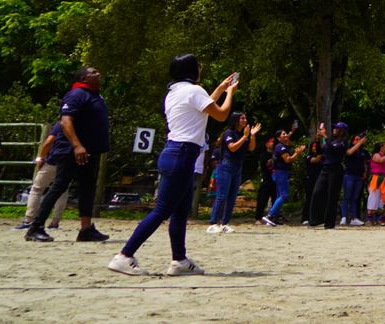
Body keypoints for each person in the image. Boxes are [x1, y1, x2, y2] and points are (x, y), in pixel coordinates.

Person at [108, 54, 237, 276]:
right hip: (183, 155)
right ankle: (124, 255)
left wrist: (220, 89)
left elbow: (204, 106)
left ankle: (179, 260)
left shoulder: (175, 92)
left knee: (180, 211)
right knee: (162, 210)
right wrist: (230, 93)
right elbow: (221, 114)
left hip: (174, 152)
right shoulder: (194, 91)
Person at [25, 66, 111, 244]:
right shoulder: (76, 94)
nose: (98, 73)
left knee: (87, 188)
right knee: (59, 186)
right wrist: (77, 145)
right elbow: (66, 121)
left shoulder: (96, 95)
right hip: (72, 150)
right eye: (93, 72)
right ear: (83, 78)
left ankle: (86, 229)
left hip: (90, 150)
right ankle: (35, 227)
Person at [206, 113, 259, 234]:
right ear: (235, 120)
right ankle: (213, 223)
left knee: (232, 197)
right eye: (242, 118)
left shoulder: (243, 134)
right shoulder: (228, 133)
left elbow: (251, 148)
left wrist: (252, 136)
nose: (245, 120)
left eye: (245, 118)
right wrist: (244, 137)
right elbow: (232, 147)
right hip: (225, 166)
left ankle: (224, 223)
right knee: (222, 196)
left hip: (237, 168)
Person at [16, 123, 72, 231]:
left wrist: (41, 157)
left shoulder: (60, 124)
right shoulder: (81, 125)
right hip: (68, 161)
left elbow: (49, 141)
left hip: (54, 160)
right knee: (62, 191)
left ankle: (29, 220)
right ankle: (55, 222)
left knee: (37, 189)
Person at [260, 130, 303, 226]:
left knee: (279, 195)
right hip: (280, 173)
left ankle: (272, 218)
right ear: (278, 138)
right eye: (283, 134)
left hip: (280, 173)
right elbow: (288, 160)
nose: (286, 135)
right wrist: (297, 153)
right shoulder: (280, 147)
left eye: (286, 133)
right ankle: (269, 216)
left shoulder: (281, 146)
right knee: (284, 195)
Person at [314, 123, 352, 229]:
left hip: (335, 170)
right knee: (317, 192)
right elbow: (320, 151)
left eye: (337, 128)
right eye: (334, 128)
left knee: (332, 196)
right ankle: (316, 219)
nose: (334, 129)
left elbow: (334, 150)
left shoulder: (343, 142)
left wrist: (325, 136)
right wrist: (317, 140)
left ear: (342, 131)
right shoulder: (331, 140)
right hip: (325, 168)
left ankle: (329, 222)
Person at [341, 129, 368, 225]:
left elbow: (364, 162)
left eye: (359, 139)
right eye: (356, 139)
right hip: (349, 175)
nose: (358, 141)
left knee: (354, 198)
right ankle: (343, 217)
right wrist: (360, 142)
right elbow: (349, 153)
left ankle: (354, 218)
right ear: (352, 141)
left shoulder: (362, 151)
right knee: (346, 197)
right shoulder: (349, 148)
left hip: (359, 176)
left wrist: (365, 171)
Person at [254, 135, 278, 221]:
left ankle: (274, 217)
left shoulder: (277, 153)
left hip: (276, 179)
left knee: (275, 199)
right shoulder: (264, 155)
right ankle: (258, 218)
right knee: (262, 199)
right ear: (266, 144)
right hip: (266, 179)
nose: (273, 143)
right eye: (271, 142)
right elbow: (265, 164)